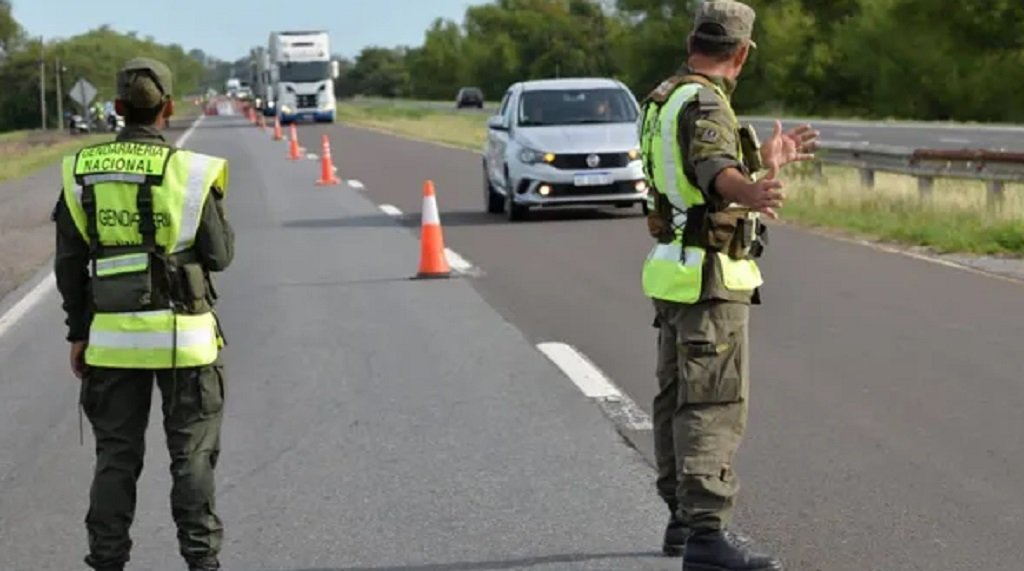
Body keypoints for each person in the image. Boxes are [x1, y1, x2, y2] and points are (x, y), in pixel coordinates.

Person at [636, 2, 818, 570]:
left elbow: (691, 173)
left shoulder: (666, 95)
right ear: (740, 54)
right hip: (710, 279)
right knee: (712, 404)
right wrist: (752, 189)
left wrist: (764, 162)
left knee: (675, 399)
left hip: (674, 271)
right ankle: (708, 538)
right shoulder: (709, 102)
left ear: (693, 40)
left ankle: (681, 521)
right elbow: (715, 170)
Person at [53, 57, 234, 571]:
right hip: (187, 342)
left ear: (116, 108)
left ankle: (107, 562)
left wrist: (78, 331)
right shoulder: (192, 172)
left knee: (115, 458)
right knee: (192, 458)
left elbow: (69, 264)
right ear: (169, 109)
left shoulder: (80, 171)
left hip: (111, 342)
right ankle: (201, 563)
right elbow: (220, 256)